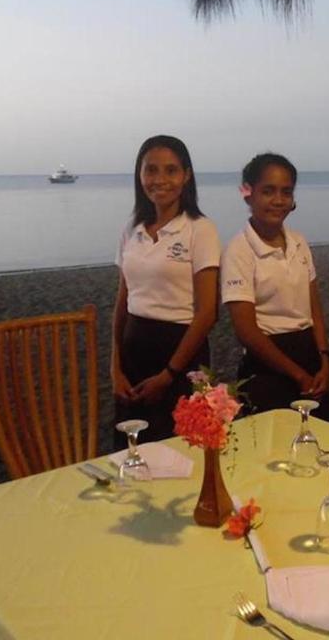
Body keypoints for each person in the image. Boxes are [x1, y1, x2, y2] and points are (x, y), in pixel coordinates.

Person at [110, 135, 220, 446]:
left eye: (171, 170)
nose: (159, 180)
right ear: (139, 174)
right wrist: (115, 367)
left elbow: (207, 312)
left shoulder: (200, 229)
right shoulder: (131, 229)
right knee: (131, 453)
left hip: (180, 356)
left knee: (183, 453)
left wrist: (169, 374)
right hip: (133, 356)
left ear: (186, 176)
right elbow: (123, 302)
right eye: (151, 170)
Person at [221, 153, 329, 422]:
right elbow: (246, 331)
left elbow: (314, 309)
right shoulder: (238, 250)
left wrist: (324, 359)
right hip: (267, 365)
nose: (278, 200)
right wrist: (297, 375)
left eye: (286, 192)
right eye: (268, 191)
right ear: (249, 194)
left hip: (309, 356)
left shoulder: (299, 242)